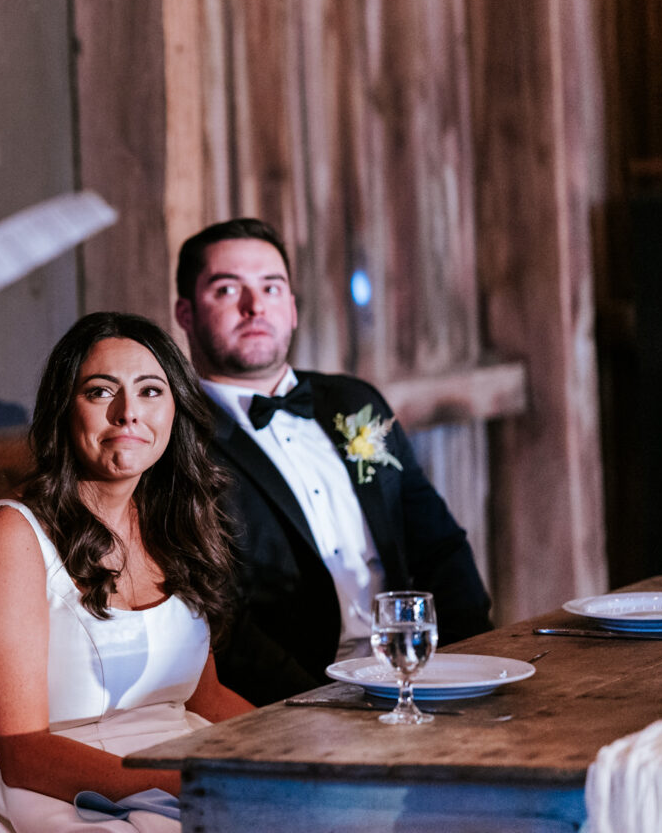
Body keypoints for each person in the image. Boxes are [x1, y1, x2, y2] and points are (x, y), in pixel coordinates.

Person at [0, 312, 252, 833]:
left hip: (183, 775)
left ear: (176, 409)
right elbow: (23, 753)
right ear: (64, 411)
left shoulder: (171, 526)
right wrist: (187, 782)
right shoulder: (10, 536)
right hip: (71, 798)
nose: (128, 412)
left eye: (151, 391)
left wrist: (303, 745)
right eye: (100, 391)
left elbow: (205, 698)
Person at [173, 218, 493, 705]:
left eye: (271, 287)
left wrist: (475, 660)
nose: (254, 306)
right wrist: (316, 706)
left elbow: (439, 546)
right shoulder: (178, 438)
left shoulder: (353, 402)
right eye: (226, 289)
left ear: (294, 308)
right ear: (186, 313)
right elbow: (220, 619)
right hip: (291, 697)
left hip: (415, 673)